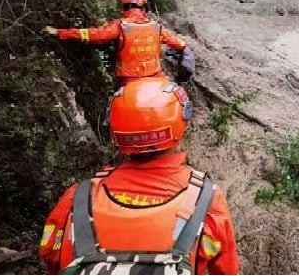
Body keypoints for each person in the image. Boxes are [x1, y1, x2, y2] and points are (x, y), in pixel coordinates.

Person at [39, 77, 240, 275]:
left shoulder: (77, 199)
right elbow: (225, 270)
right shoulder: (206, 201)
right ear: (181, 122)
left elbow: (51, 259)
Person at [43, 0, 194, 83]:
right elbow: (181, 46)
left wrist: (61, 33)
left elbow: (94, 35)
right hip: (155, 77)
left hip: (128, 81)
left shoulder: (120, 26)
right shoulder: (156, 27)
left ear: (124, 7)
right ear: (144, 8)